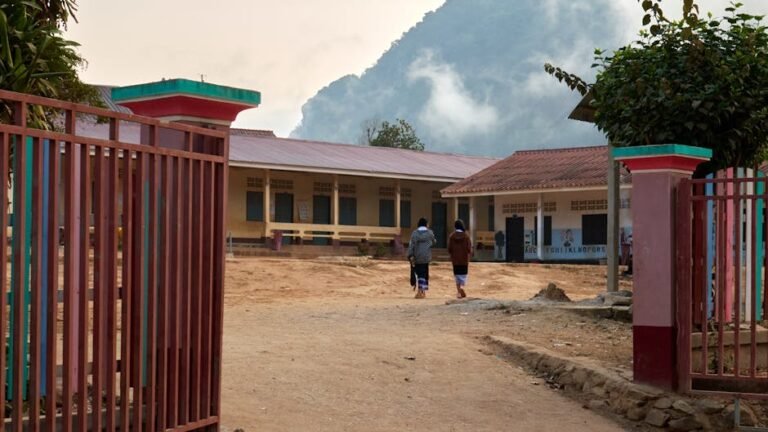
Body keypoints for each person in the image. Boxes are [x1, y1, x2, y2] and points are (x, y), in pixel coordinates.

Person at [407, 217, 436, 299]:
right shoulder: (430, 233)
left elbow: (411, 245)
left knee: (419, 273)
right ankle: (422, 290)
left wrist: (410, 255)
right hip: (426, 256)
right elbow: (434, 241)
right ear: (426, 224)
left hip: (417, 256)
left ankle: (421, 290)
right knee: (424, 273)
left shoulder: (414, 233)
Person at [448, 219, 472, 298]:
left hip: (455, 260)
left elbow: (449, 249)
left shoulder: (452, 236)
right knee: (463, 276)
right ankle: (462, 287)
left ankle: (458, 292)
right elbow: (469, 249)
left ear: (455, 226)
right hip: (464, 259)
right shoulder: (466, 236)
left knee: (457, 276)